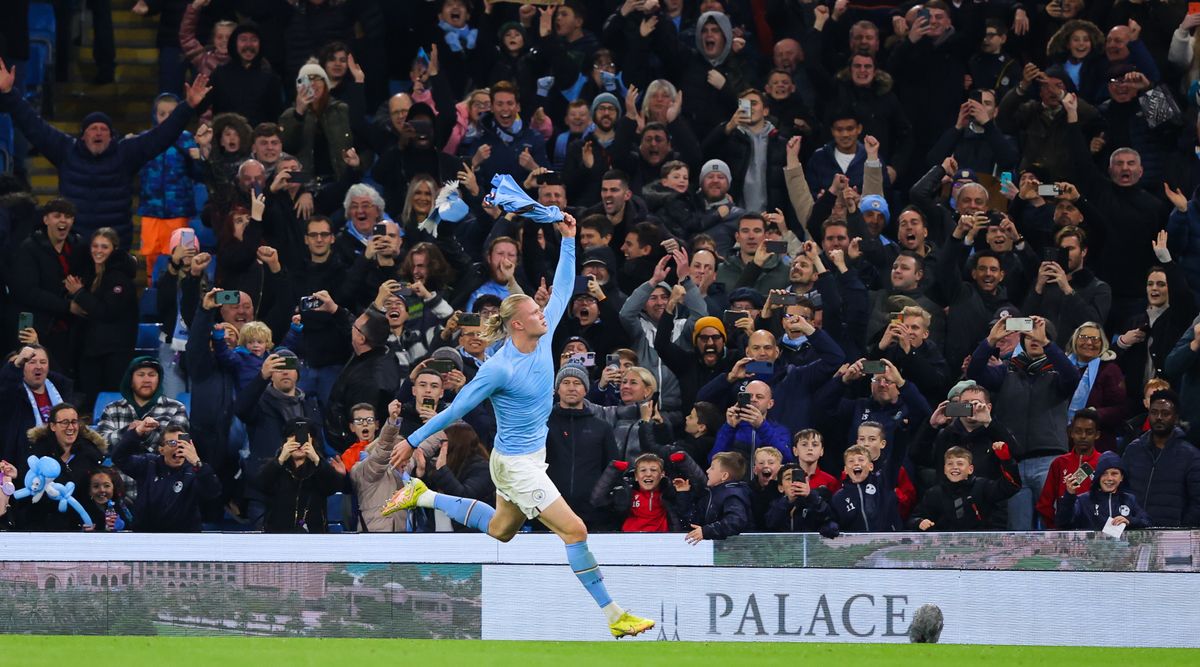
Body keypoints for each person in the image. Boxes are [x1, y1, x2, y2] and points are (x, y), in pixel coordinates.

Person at [380, 213, 655, 638]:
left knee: (500, 531)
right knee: (576, 530)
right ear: (516, 324)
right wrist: (413, 439)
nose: (544, 314)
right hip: (514, 465)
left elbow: (563, 288)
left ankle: (424, 495)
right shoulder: (499, 368)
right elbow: (456, 410)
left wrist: (568, 239)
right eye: (534, 311)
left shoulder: (542, 336)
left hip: (528, 458)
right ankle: (614, 615)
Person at [0, 60, 211, 248]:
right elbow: (34, 126)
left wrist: (187, 107)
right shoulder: (65, 150)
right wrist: (10, 94)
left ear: (112, 136)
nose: (98, 132)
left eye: (104, 129)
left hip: (115, 247)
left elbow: (161, 136)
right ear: (83, 136)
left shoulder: (126, 153)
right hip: (74, 245)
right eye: (93, 129)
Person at [111, 424, 219, 532]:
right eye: (172, 443)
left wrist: (197, 462)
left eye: (183, 443)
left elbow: (212, 492)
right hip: (146, 537)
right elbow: (118, 457)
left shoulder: (197, 470)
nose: (178, 447)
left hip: (184, 538)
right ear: (161, 449)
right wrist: (137, 432)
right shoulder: (148, 464)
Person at [1120, 390, 1200, 527]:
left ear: (1175, 417)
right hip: (1134, 533)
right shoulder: (1133, 450)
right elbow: (1121, 490)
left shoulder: (1191, 456)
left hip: (1174, 538)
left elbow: (1197, 502)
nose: (1159, 417)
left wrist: (1181, 529)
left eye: (1165, 413)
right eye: (1154, 412)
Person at [19, 403, 104, 531]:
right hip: (40, 527)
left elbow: (93, 496)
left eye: (74, 422)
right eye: (64, 422)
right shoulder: (36, 454)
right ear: (53, 426)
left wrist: (96, 521)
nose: (70, 427)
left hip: (80, 529)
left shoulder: (90, 454)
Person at [257, 419, 345, 533]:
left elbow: (335, 486)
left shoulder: (320, 469)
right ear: (285, 442)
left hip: (314, 537)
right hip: (278, 538)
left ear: (312, 441)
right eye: (292, 436)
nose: (298, 441)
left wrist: (317, 460)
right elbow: (260, 485)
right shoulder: (276, 467)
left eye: (303, 436)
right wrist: (280, 460)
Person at [907, 444, 1021, 531]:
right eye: (950, 464)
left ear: (970, 469)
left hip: (982, 547)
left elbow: (1011, 485)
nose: (954, 467)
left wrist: (1006, 460)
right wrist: (920, 522)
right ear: (944, 469)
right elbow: (913, 519)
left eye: (960, 463)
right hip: (945, 550)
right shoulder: (933, 494)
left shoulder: (983, 487)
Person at [94, 357, 190, 452]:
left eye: (152, 375)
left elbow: (178, 447)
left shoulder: (176, 408)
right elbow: (101, 444)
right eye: (141, 375)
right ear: (130, 381)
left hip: (160, 467)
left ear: (159, 380)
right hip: (118, 467)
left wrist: (145, 433)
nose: (146, 380)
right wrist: (129, 431)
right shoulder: (112, 409)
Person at [413, 421, 495, 532]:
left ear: (454, 445)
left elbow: (464, 498)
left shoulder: (483, 469)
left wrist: (442, 470)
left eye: (444, 443)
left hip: (469, 537)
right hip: (435, 534)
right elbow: (423, 497)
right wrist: (420, 473)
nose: (439, 446)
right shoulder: (444, 467)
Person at [1036, 408, 1104, 528]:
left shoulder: (1104, 462)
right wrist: (1055, 528)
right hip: (1064, 532)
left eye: (1089, 432)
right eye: (1078, 431)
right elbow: (1045, 504)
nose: (1083, 436)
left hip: (1096, 532)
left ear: (1097, 435)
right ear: (1071, 433)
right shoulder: (1059, 463)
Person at [1056, 450, 1151, 531]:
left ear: (1122, 477)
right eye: (1104, 473)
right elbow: (1063, 522)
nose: (1109, 478)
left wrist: (1129, 520)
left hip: (1123, 551)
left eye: (1114, 473)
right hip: (1092, 551)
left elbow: (1147, 521)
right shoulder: (1083, 500)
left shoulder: (1129, 499)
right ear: (1098, 476)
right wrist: (1069, 495)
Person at [674, 451, 753, 541]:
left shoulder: (733, 494)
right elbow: (694, 521)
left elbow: (735, 522)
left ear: (724, 476)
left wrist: (707, 531)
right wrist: (683, 494)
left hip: (735, 551)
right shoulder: (711, 494)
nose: (707, 471)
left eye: (712, 468)